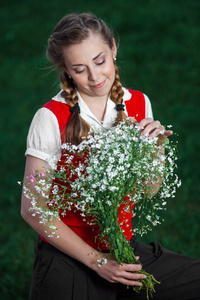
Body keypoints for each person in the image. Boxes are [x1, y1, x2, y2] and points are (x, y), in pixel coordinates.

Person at [21, 13, 200, 300]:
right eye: (79, 69)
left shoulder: (139, 103)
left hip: (121, 248)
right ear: (66, 70)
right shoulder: (50, 118)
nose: (94, 77)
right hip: (70, 257)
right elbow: (33, 210)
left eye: (100, 61)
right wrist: (97, 262)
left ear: (113, 48)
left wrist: (156, 148)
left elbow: (148, 190)